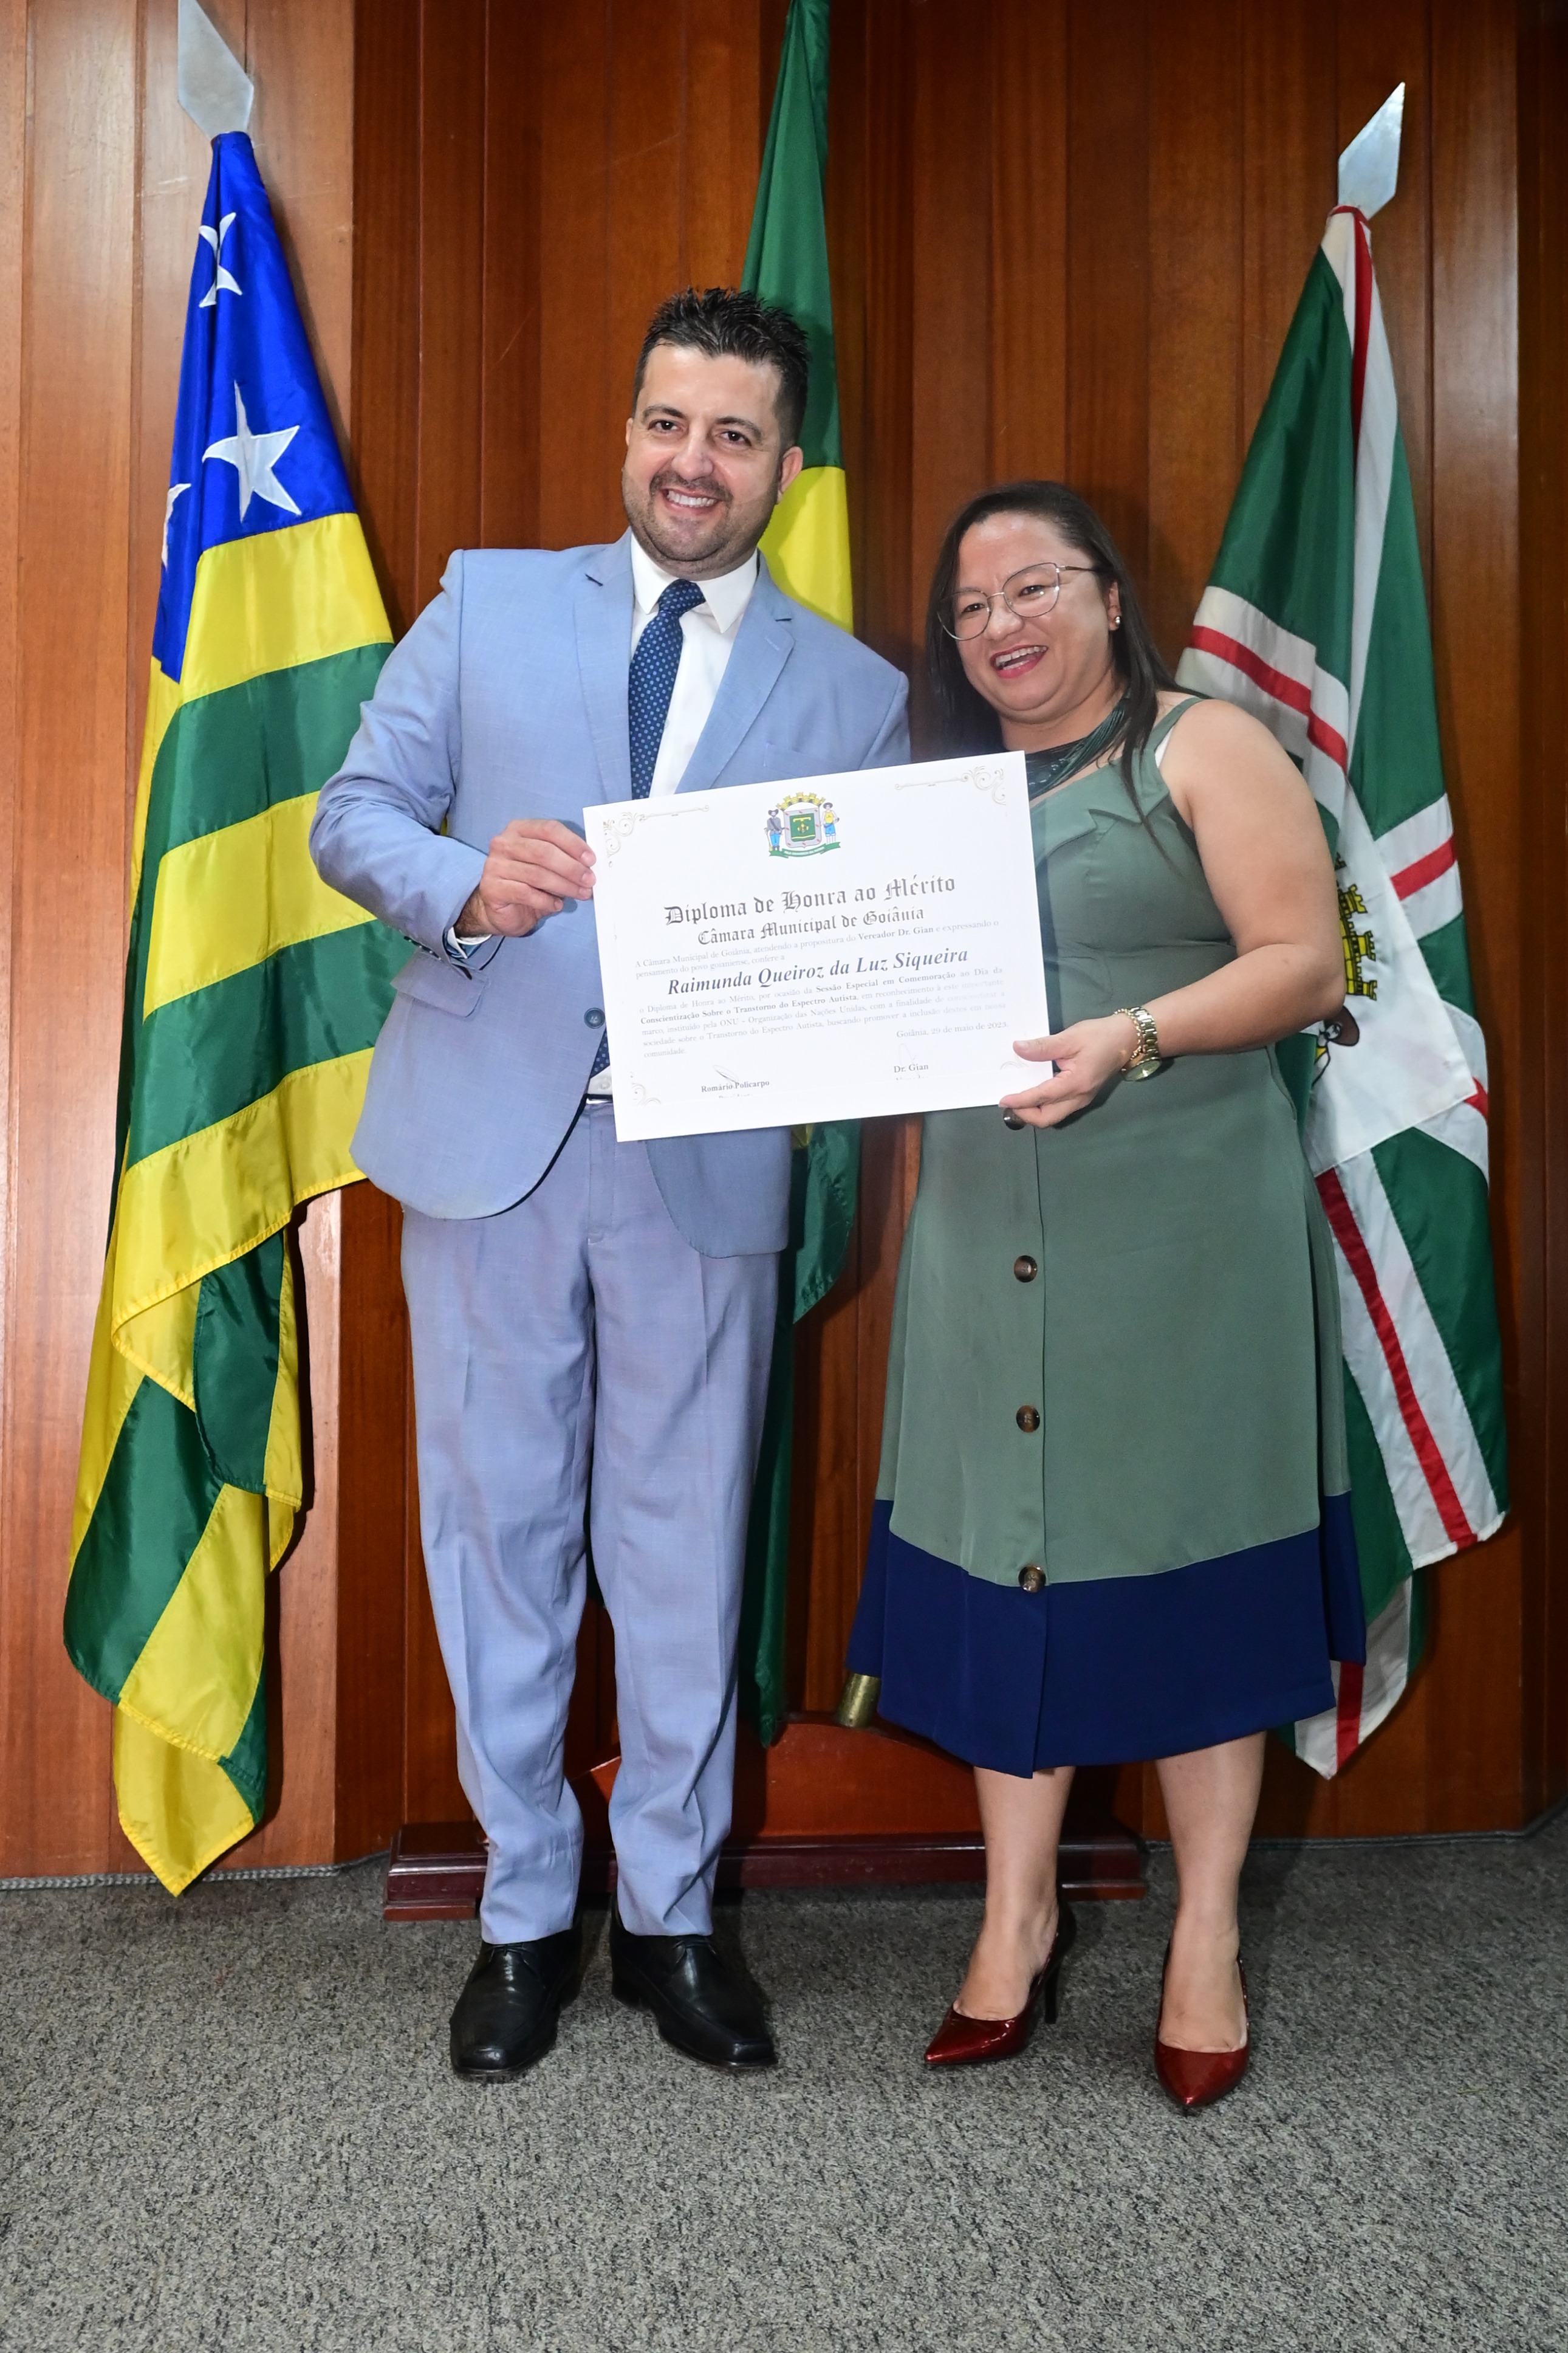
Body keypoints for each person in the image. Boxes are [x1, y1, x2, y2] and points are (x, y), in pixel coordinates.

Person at [312, 288, 908, 2081]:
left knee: (683, 1549)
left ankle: (669, 1915)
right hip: (488, 1149)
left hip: (703, 1171)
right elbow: (352, 814)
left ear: (785, 467)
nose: (691, 462)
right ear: (628, 431)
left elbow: (867, 952)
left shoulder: (855, 692)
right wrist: (462, 884)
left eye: (734, 434)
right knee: (494, 1538)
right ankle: (521, 1914)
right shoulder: (490, 601)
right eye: (667, 423)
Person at [843, 479, 1363, 2109]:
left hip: (1181, 1243)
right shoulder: (932, 803)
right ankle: (1017, 1920)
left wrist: (1132, 1036)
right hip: (983, 1233)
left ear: (1112, 597)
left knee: (1193, 1567)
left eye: (1035, 588)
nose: (999, 624)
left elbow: (1306, 962)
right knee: (1013, 1564)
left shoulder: (1202, 746)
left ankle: (1207, 1938)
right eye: (970, 605)